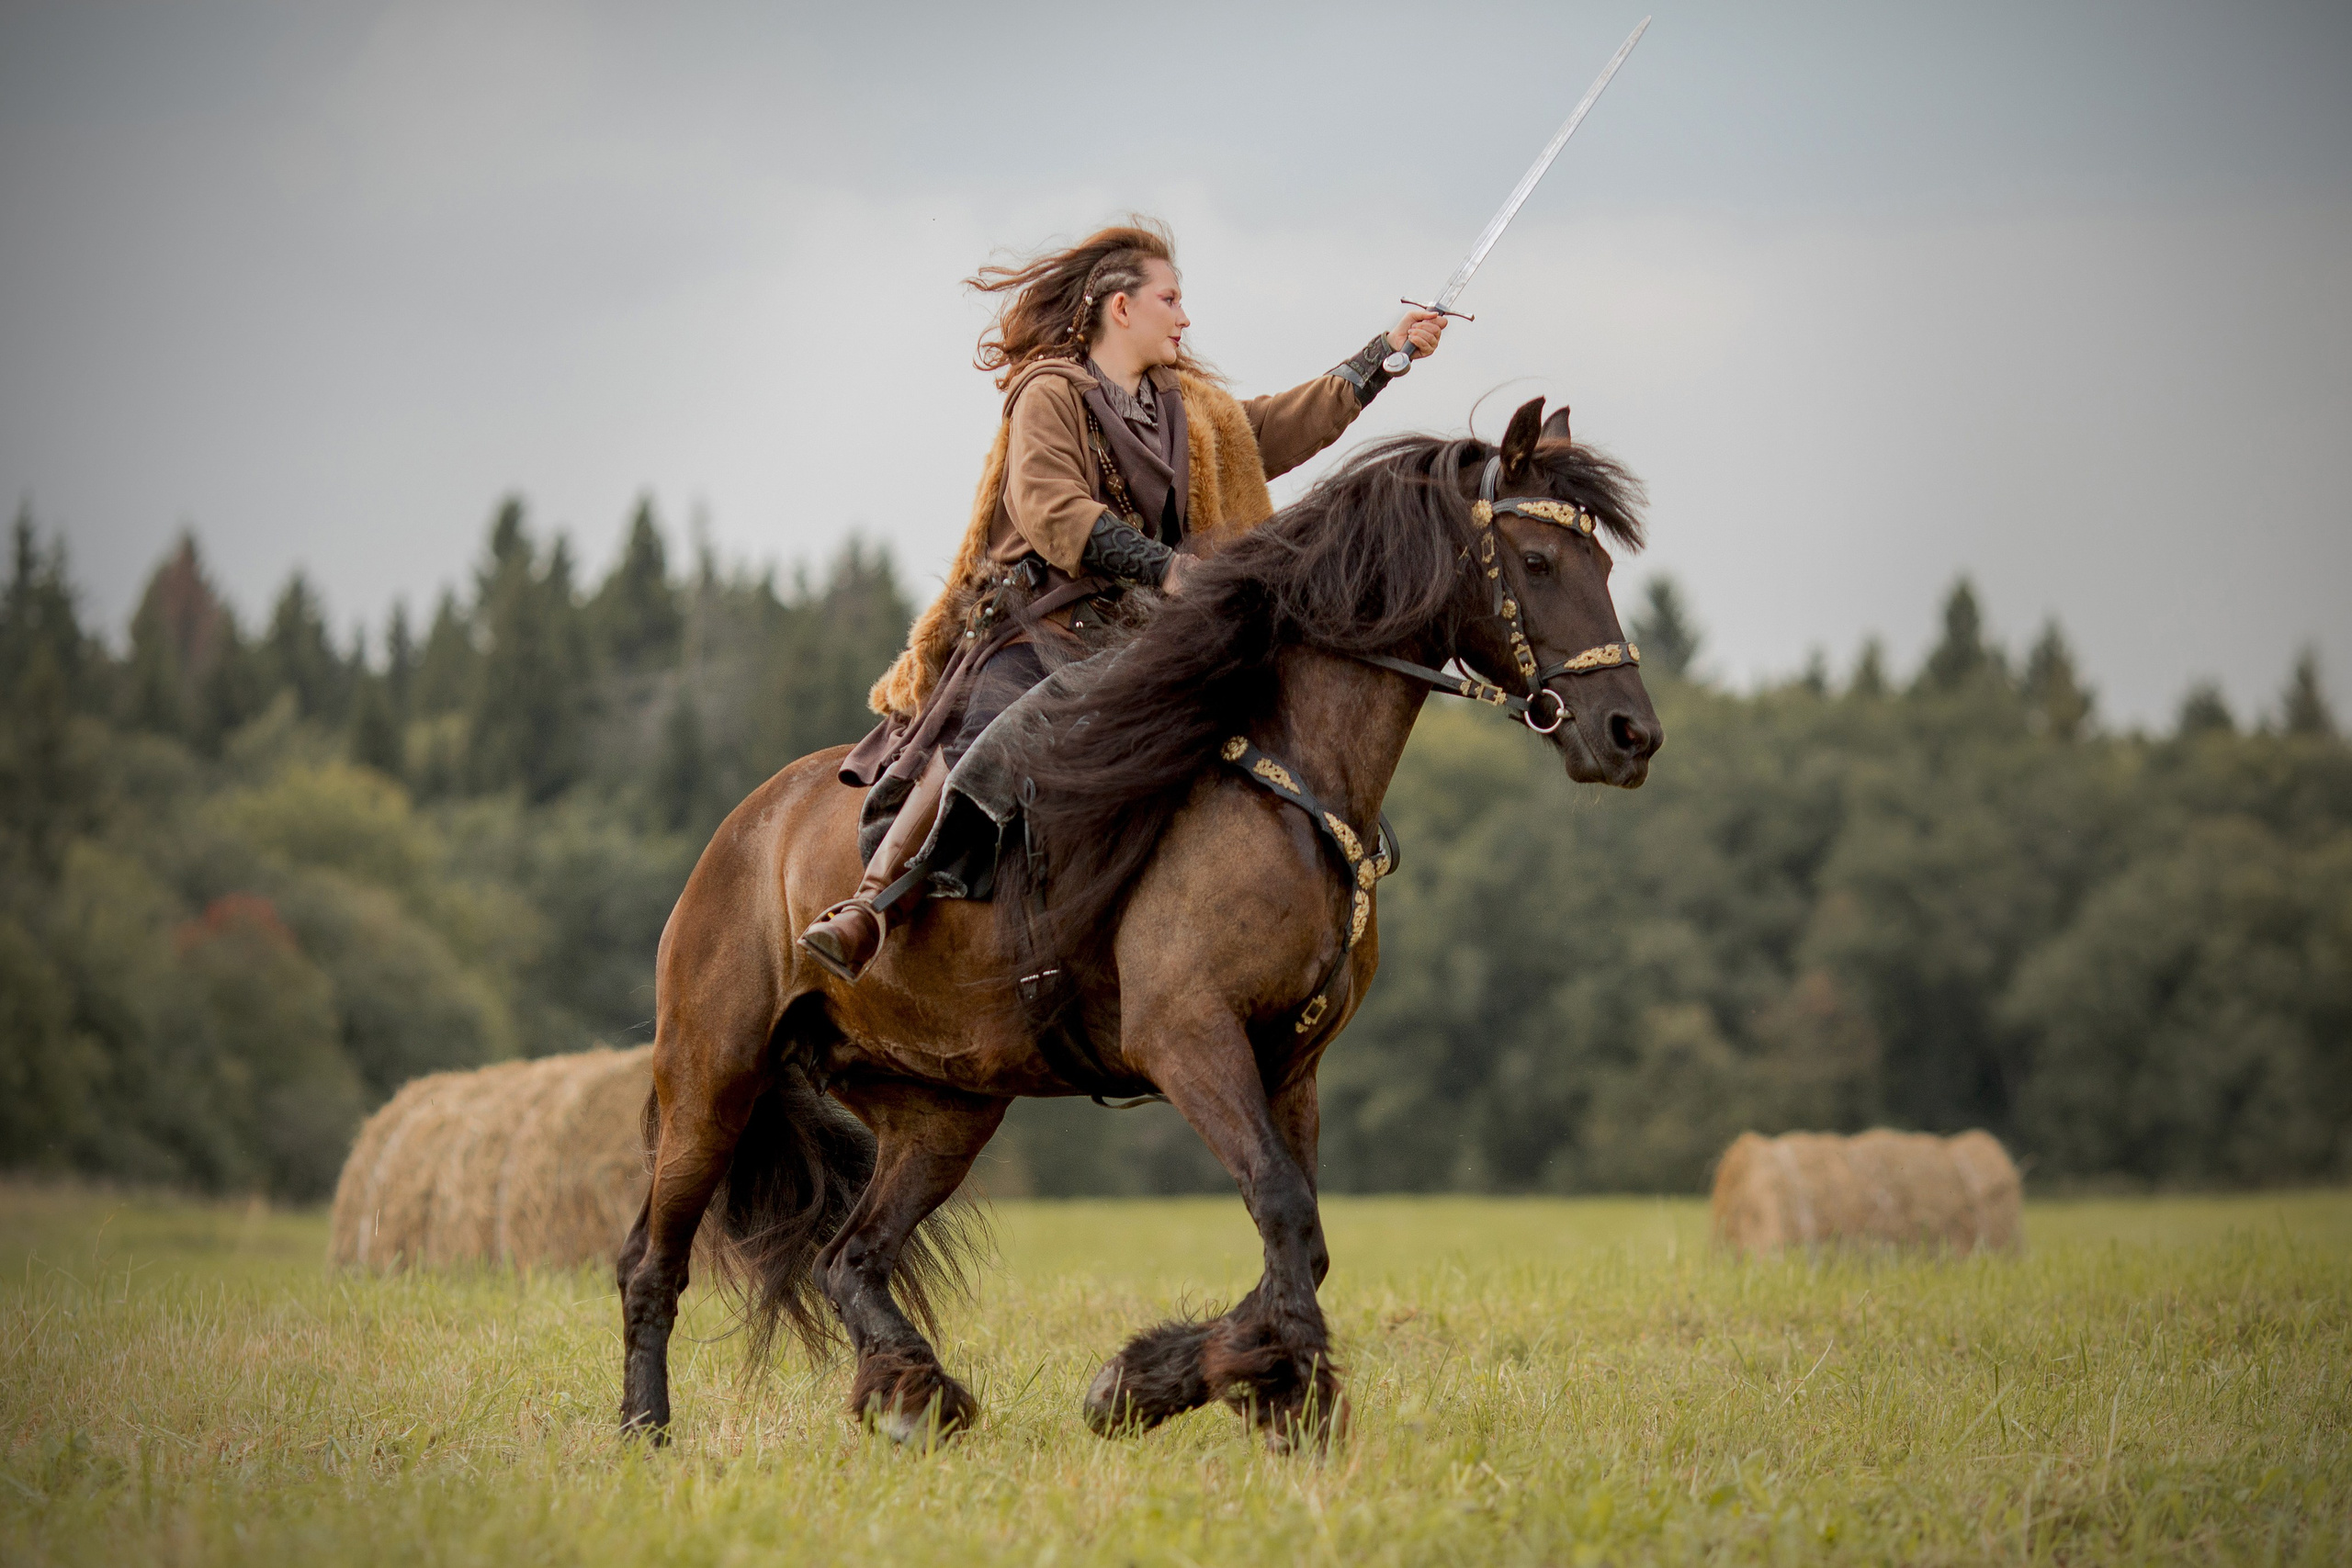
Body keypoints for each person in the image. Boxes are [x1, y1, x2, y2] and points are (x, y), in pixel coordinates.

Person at [799, 220, 1446, 982]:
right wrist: (1166, 568)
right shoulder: (1047, 394)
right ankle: (871, 906)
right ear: (1120, 308)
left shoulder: (1185, 404)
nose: (1185, 316)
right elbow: (1054, 512)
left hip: (1142, 633)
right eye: (1171, 298)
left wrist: (1388, 355)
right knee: (992, 735)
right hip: (1041, 626)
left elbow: (1271, 426)